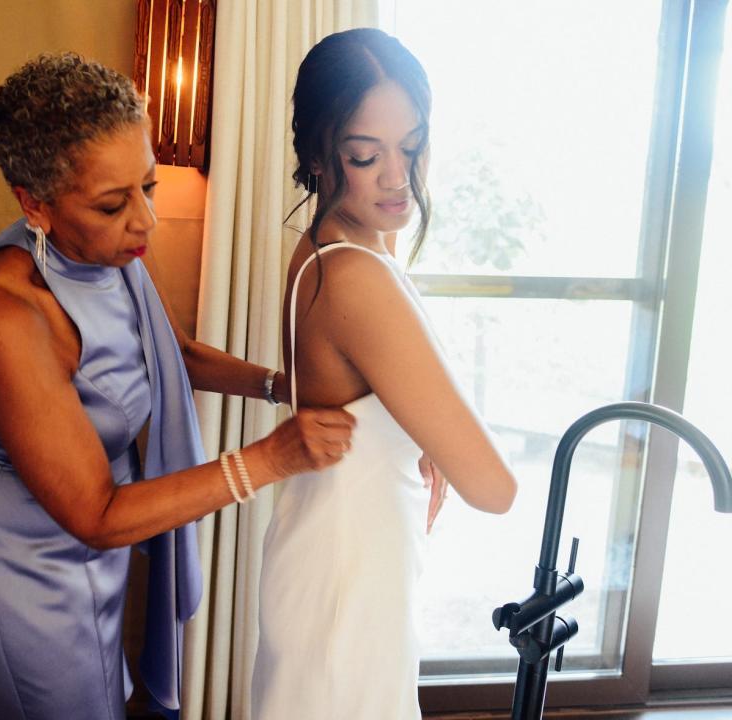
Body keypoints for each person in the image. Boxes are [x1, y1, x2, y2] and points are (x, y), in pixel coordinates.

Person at [0, 52, 356, 720]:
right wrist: (271, 458)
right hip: (25, 545)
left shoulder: (109, 248)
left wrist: (284, 386)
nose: (145, 221)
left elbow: (171, 353)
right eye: (112, 203)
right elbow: (98, 516)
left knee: (94, 692)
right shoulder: (4, 313)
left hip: (97, 515)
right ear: (33, 205)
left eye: (149, 187)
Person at [251, 29, 518, 719]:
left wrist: (417, 424)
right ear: (316, 154)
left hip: (337, 557)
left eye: (413, 144)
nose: (398, 177)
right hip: (347, 581)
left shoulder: (326, 248)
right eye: (366, 156)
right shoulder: (355, 276)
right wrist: (438, 433)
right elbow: (494, 486)